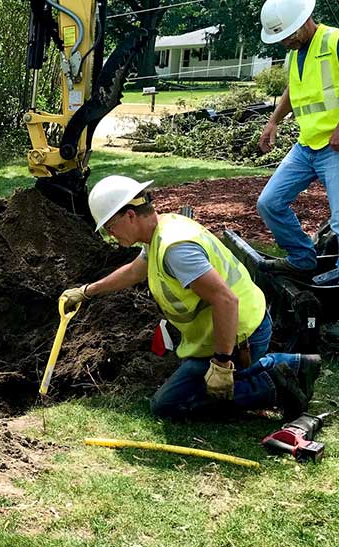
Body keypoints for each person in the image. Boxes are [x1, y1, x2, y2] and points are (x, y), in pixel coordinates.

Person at [61, 175, 321, 420]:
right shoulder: (159, 233)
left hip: (240, 335)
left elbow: (226, 301)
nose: (110, 234)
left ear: (130, 215)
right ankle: (293, 366)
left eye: (110, 226)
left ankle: (275, 381)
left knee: (170, 405)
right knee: (171, 400)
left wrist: (221, 364)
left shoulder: (176, 249)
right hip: (221, 334)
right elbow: (133, 272)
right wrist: (86, 291)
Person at [255, 0, 339, 276]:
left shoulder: (333, 40)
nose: (284, 42)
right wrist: (273, 121)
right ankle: (303, 258)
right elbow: (294, 90)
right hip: (306, 145)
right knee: (269, 203)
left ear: (305, 20)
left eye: (287, 35)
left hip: (335, 147)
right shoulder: (296, 53)